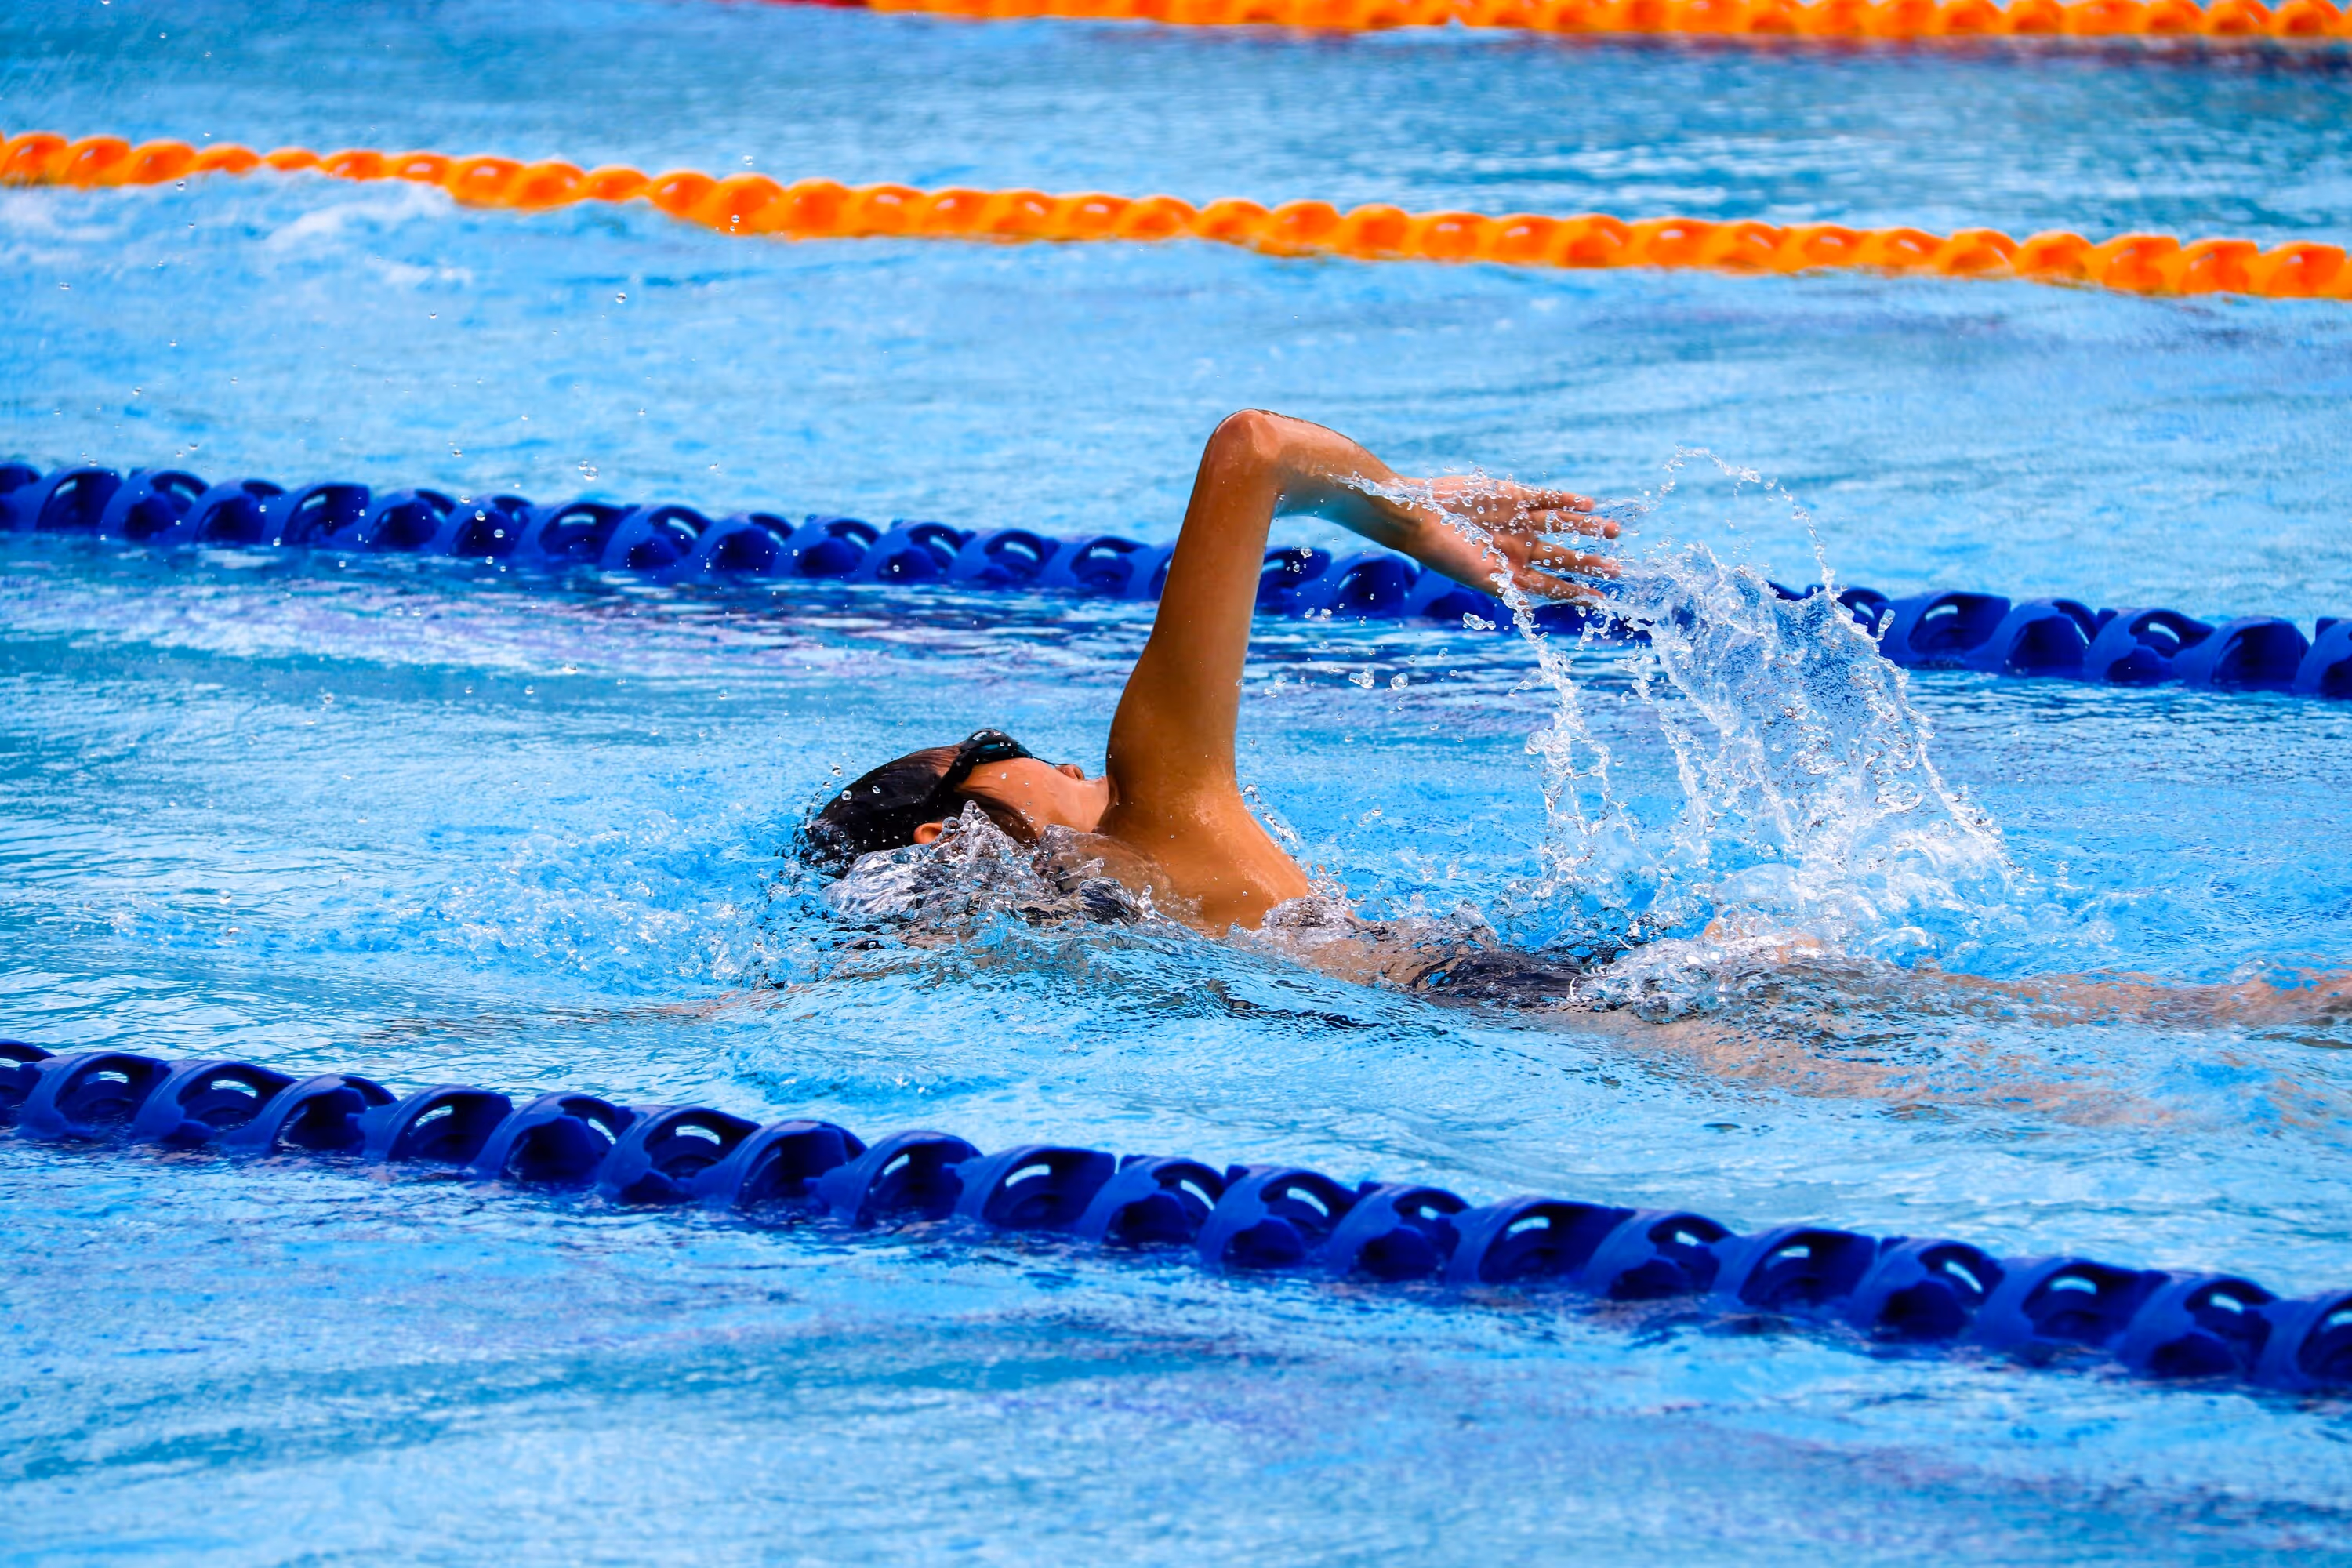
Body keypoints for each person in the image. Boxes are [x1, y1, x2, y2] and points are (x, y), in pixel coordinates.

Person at [801, 409, 1617, 940]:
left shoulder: (1091, 951)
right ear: (946, 836)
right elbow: (1254, 448)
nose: (1073, 765)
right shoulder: (1152, 802)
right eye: (999, 746)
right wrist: (1418, 520)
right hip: (1528, 998)